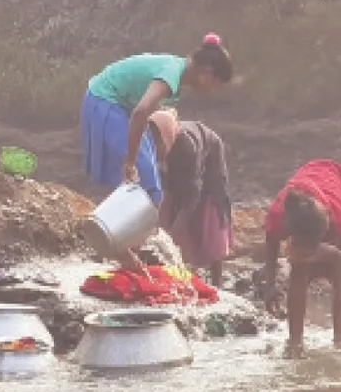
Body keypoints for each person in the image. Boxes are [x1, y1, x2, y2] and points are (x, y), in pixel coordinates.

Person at [80, 34, 233, 271]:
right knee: (146, 186)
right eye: (215, 84)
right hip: (107, 101)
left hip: (114, 104)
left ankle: (127, 252)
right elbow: (141, 112)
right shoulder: (171, 73)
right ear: (207, 72)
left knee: (150, 189)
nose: (213, 91)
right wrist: (130, 160)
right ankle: (116, 246)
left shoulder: (176, 72)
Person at [259, 159, 341, 349]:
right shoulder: (279, 214)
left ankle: (340, 342)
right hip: (308, 195)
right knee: (299, 269)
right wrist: (270, 287)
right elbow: (271, 245)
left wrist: (336, 254)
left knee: (339, 273)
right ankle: (295, 342)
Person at [147, 108, 233, 285]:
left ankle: (217, 279)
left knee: (209, 208)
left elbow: (192, 195)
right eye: (152, 145)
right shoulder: (151, 146)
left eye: (158, 144)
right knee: (169, 204)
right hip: (178, 168)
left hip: (210, 158)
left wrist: (171, 235)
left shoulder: (187, 147)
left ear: (167, 137)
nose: (155, 149)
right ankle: (179, 270)